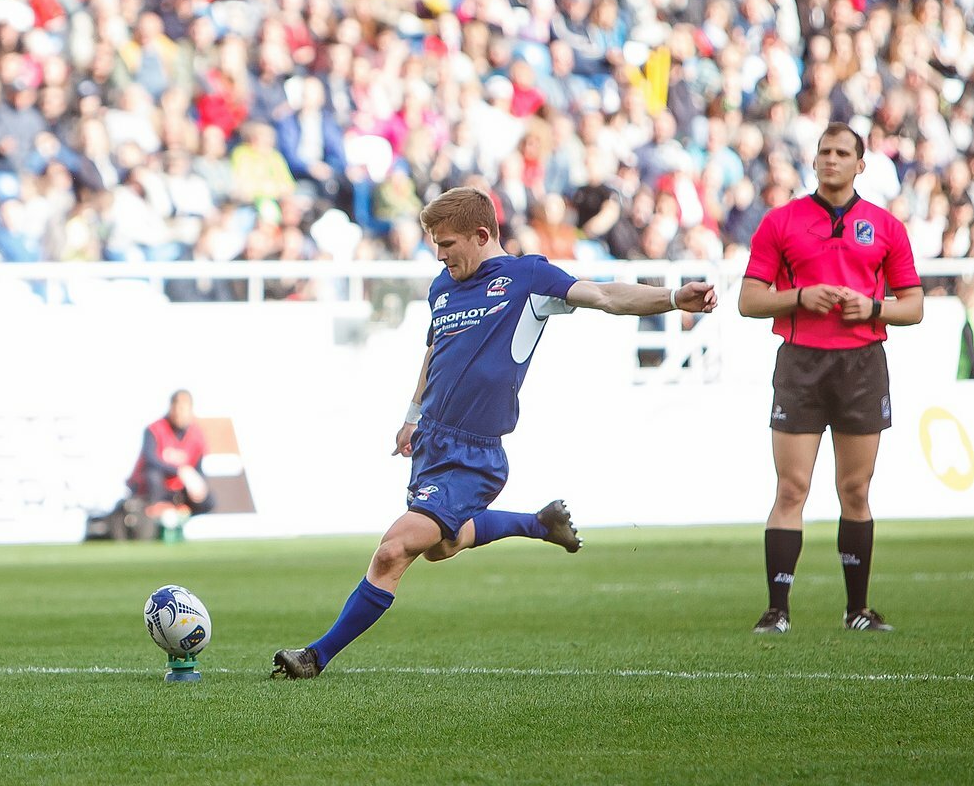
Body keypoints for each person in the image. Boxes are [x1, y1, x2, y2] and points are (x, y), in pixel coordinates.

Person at [271, 187, 716, 679]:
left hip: (475, 455)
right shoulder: (442, 287)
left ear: (481, 235)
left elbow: (605, 295)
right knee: (440, 546)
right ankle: (538, 523)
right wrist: (413, 415)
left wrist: (672, 298)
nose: (439, 256)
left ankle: (315, 656)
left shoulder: (529, 277)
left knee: (394, 549)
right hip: (432, 441)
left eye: (447, 244)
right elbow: (435, 351)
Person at [737, 123, 923, 635]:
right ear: (814, 159)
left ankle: (857, 610)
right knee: (791, 487)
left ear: (860, 165)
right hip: (801, 364)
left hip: (862, 365)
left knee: (855, 489)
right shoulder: (781, 222)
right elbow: (748, 300)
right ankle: (777, 610)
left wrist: (873, 308)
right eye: (824, 151)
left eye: (842, 153)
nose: (831, 159)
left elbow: (914, 306)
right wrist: (799, 297)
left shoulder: (886, 226)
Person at [126, 389, 216, 541]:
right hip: (153, 488)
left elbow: (198, 469)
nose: (180, 412)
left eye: (184, 408)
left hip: (178, 491)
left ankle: (179, 514)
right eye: (177, 407)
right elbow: (150, 459)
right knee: (153, 475)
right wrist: (178, 470)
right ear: (171, 407)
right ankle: (158, 512)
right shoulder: (155, 429)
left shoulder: (197, 435)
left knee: (207, 499)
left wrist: (196, 485)